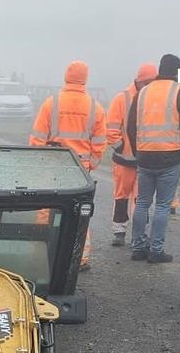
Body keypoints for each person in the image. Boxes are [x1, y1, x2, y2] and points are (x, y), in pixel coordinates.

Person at [30, 60, 107, 270]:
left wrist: (42, 162)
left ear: (66, 76)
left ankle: (39, 255)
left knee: (46, 208)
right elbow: (100, 143)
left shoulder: (51, 103)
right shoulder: (95, 107)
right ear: (85, 79)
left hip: (52, 166)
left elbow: (36, 139)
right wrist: (91, 165)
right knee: (79, 212)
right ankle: (79, 258)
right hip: (80, 169)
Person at [128, 54, 180, 263]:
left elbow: (130, 125)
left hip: (145, 156)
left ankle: (137, 248)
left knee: (142, 202)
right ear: (177, 72)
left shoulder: (142, 93)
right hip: (171, 156)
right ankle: (156, 251)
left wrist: (138, 151)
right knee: (163, 205)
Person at [106, 63, 157, 246]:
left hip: (144, 159)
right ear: (140, 81)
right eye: (149, 82)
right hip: (124, 160)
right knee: (121, 195)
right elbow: (111, 127)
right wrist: (120, 148)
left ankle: (139, 234)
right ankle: (119, 231)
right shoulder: (122, 98)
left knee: (141, 198)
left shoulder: (152, 97)